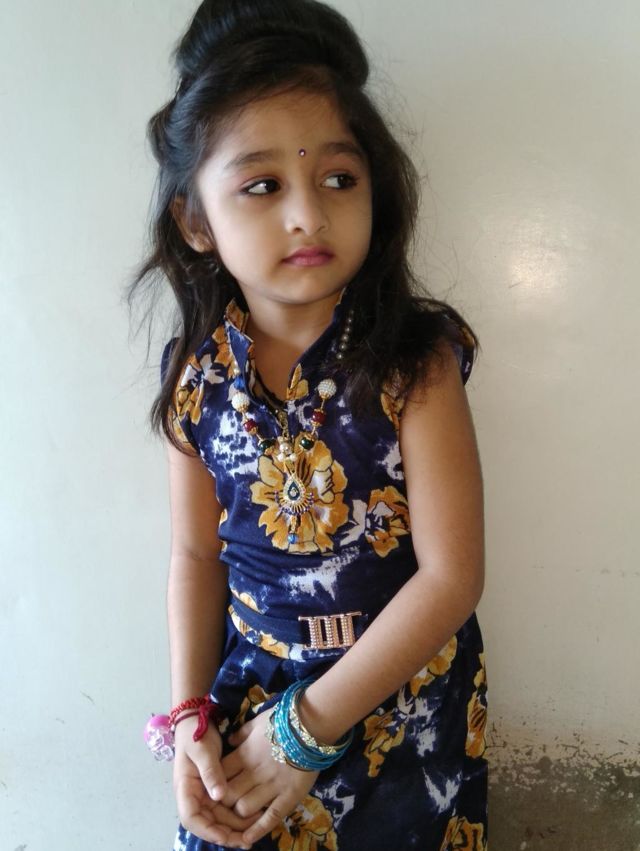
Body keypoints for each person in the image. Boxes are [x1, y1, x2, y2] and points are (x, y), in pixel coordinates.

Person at [130, 1, 488, 848]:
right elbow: (196, 555)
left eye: (338, 178)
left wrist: (308, 730)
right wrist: (189, 715)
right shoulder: (195, 377)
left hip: (402, 705)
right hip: (249, 704)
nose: (308, 214)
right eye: (262, 186)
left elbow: (451, 578)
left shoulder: (414, 363)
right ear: (195, 221)